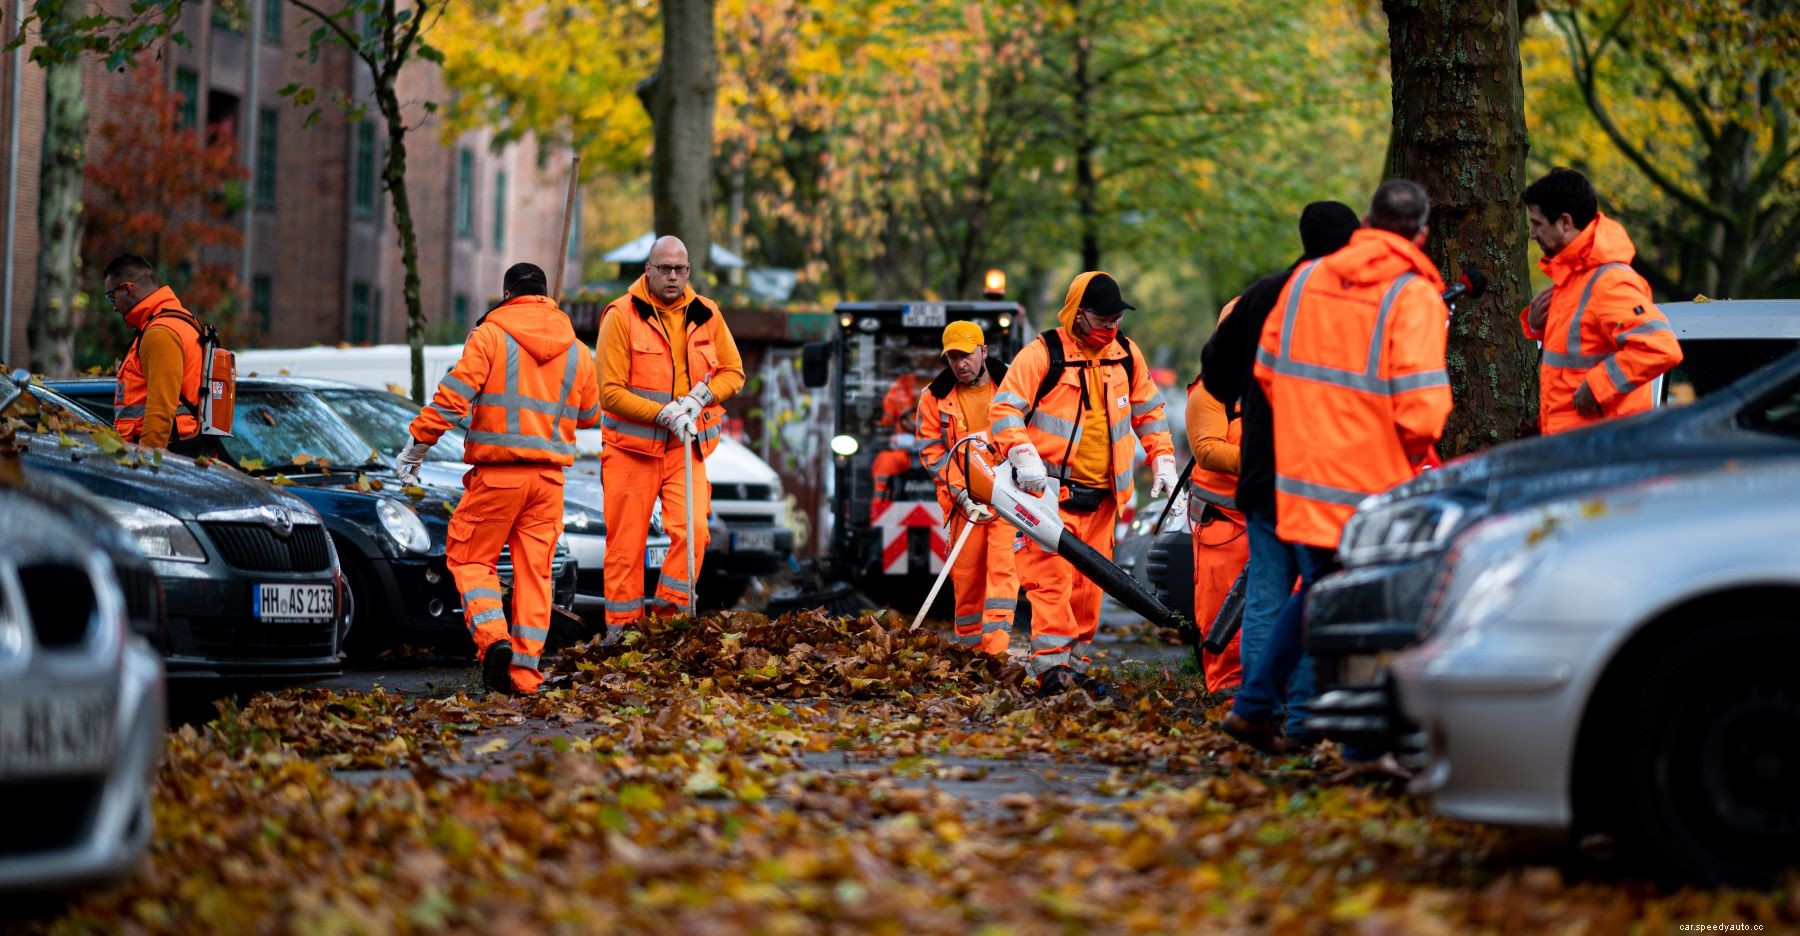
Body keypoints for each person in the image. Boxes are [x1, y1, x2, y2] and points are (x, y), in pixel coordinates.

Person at [1221, 181, 1453, 771]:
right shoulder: (1414, 296)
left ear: (1370, 221)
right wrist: (1397, 455)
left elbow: (1268, 373)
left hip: (1297, 476)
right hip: (1370, 483)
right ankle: (1356, 743)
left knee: (1324, 595)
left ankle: (1268, 710)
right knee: (1356, 607)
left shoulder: (1304, 282)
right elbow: (1423, 409)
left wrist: (1309, 434)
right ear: (1420, 233)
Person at [397, 262, 600, 695]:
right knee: (535, 575)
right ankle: (524, 675)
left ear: (508, 294)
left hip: (498, 477)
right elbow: (589, 415)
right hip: (548, 482)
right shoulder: (578, 350)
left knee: (471, 559)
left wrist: (418, 443)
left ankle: (494, 643)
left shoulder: (490, 335)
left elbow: (453, 398)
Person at [1199, 202, 1360, 734]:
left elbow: (1215, 376)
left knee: (1268, 594)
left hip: (1264, 472)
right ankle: (1305, 716)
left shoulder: (1262, 296)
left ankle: (1257, 706)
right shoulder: (1351, 299)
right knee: (1319, 592)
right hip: (1323, 472)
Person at [989, 272, 1177, 695]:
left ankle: (1075, 669)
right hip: (1048, 497)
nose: (1111, 329)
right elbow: (1004, 410)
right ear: (1078, 313)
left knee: (1088, 591)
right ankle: (1052, 671)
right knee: (1052, 584)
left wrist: (1163, 458)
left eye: (1116, 320)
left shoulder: (1125, 355)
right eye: (1103, 320)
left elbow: (1150, 412)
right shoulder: (1042, 355)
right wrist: (1022, 454)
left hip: (1104, 500)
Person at [595, 236, 745, 637]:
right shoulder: (621, 315)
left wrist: (702, 397)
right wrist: (662, 414)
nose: (673, 276)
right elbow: (609, 392)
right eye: (664, 268)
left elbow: (734, 372)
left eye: (680, 269)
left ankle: (668, 627)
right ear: (648, 269)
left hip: (684, 448)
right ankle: (623, 633)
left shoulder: (707, 314)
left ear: (689, 271)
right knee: (626, 546)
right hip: (631, 451)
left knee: (694, 535)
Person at [1522, 168, 1683, 434]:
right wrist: (1540, 327)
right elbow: (1576, 356)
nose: (1533, 234)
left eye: (1537, 224)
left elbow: (1660, 347)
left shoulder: (1608, 283)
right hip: (1576, 446)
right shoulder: (1575, 277)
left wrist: (1599, 386)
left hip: (1601, 451)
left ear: (1565, 222)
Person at [916, 321, 1018, 655]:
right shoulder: (933, 398)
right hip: (965, 505)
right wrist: (960, 493)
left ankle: (994, 654)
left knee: (1002, 576)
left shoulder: (1013, 387)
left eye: (967, 355)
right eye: (953, 357)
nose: (961, 364)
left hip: (1008, 500)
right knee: (968, 582)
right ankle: (971, 654)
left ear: (984, 352)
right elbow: (932, 453)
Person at [1185, 297, 1249, 692]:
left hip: (1270, 524)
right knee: (1221, 619)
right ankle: (1226, 697)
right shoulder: (1209, 392)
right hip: (1222, 530)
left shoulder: (1275, 386)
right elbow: (1207, 450)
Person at [104, 253, 211, 455]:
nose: (113, 306)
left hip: (164, 455)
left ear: (127, 290)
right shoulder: (178, 321)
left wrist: (144, 465)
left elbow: (160, 412)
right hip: (180, 449)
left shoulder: (160, 332)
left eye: (111, 296)